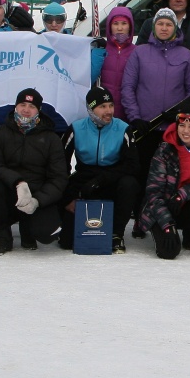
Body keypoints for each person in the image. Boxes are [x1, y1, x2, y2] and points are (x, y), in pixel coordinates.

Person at [0, 88, 69, 256]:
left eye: (32, 106)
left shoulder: (51, 139)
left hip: (37, 194)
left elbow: (58, 179)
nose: (26, 110)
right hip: (10, 190)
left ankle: (28, 229)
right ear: (15, 106)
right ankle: (3, 237)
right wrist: (18, 182)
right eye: (22, 104)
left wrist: (38, 200)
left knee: (48, 234)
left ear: (39, 110)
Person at [138, 103, 190, 260]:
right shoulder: (164, 150)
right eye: (182, 125)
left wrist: (183, 194)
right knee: (169, 252)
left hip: (184, 204)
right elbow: (153, 194)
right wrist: (167, 225)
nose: (186, 131)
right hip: (161, 209)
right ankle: (167, 230)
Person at [64, 86, 141, 254]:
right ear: (91, 109)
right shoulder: (76, 128)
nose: (108, 111)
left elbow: (133, 166)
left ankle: (116, 234)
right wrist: (70, 197)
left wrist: (101, 180)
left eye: (111, 105)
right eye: (102, 107)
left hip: (111, 179)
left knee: (130, 184)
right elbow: (61, 165)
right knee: (66, 242)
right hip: (84, 178)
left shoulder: (123, 129)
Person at [122, 8, 190, 171]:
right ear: (153, 27)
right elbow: (128, 87)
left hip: (174, 129)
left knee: (170, 174)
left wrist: (181, 114)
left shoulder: (185, 55)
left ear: (175, 28)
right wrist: (135, 118)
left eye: (168, 24)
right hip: (145, 128)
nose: (164, 28)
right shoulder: (140, 53)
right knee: (143, 172)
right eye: (160, 24)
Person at [97, 6, 136, 121]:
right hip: (103, 110)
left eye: (124, 23)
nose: (120, 28)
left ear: (130, 26)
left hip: (126, 111)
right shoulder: (102, 50)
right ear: (110, 26)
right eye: (115, 24)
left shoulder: (136, 52)